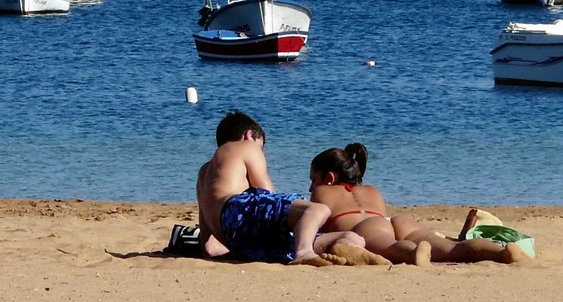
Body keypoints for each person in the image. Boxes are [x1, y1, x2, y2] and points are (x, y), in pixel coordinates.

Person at [196, 111, 384, 266]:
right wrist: (293, 213)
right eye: (261, 148)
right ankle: (304, 253)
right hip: (238, 211)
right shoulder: (246, 146)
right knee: (317, 209)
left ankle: (347, 246)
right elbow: (266, 191)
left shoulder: (205, 172)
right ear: (249, 135)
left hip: (236, 238)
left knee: (349, 235)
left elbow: (209, 247)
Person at [309, 143, 532, 265]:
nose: (311, 187)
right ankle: (501, 253)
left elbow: (313, 224)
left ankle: (413, 254)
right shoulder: (371, 190)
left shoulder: (322, 191)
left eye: (313, 179)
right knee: (452, 249)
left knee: (391, 246)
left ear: (329, 177)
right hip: (395, 221)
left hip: (366, 228)